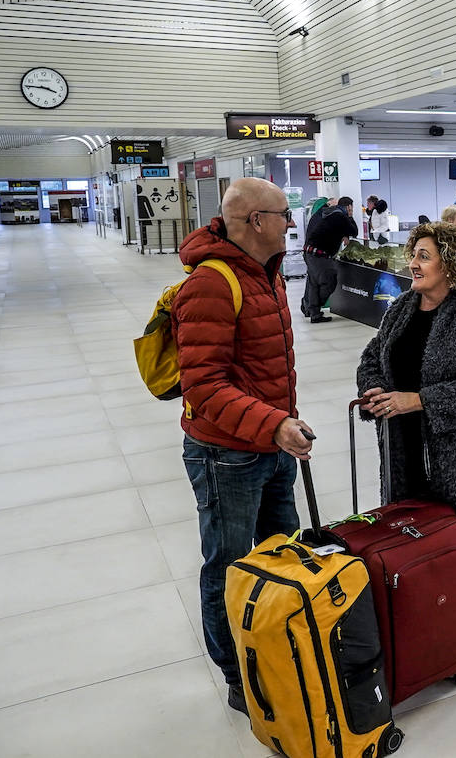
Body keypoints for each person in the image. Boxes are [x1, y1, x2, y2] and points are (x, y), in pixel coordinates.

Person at [173, 177, 315, 714]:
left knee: (284, 552)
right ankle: (238, 674)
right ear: (256, 221)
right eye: (284, 213)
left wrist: (281, 423)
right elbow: (203, 386)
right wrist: (272, 424)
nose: (292, 222)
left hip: (271, 442)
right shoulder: (211, 284)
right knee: (229, 565)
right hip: (225, 456)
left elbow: (263, 367)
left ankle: (278, 645)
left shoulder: (267, 273)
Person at [355, 221, 456, 673]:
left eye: (424, 255)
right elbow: (372, 357)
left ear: (452, 262)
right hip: (406, 447)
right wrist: (374, 391)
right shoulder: (403, 307)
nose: (414, 263)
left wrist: (419, 399)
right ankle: (435, 620)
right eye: (414, 254)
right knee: (417, 535)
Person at [302, 196, 358, 323]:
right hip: (319, 254)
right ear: (348, 207)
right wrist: (350, 216)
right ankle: (313, 308)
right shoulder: (340, 216)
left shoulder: (328, 213)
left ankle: (314, 314)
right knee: (329, 280)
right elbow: (354, 231)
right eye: (351, 208)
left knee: (314, 283)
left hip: (309, 251)